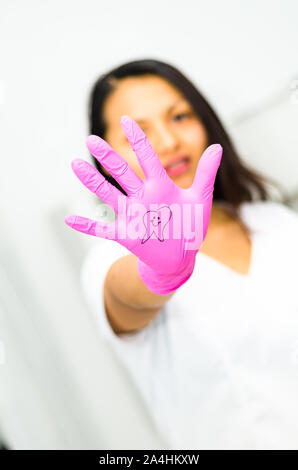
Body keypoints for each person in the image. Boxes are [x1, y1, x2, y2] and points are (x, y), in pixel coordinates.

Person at [65, 59, 298, 450]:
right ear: (108, 161)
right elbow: (126, 295)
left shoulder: (275, 222)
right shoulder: (109, 261)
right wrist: (159, 274)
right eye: (138, 132)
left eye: (179, 116)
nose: (169, 142)